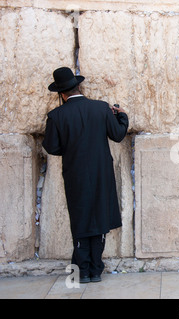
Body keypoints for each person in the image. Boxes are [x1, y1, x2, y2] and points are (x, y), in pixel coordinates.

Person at [42, 67, 129, 283]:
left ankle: (82, 272)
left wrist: (69, 147)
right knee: (99, 216)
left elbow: (52, 147)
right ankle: (96, 271)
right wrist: (122, 116)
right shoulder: (101, 109)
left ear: (61, 93)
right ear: (78, 86)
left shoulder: (56, 116)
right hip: (101, 173)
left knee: (80, 219)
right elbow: (118, 135)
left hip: (75, 175)